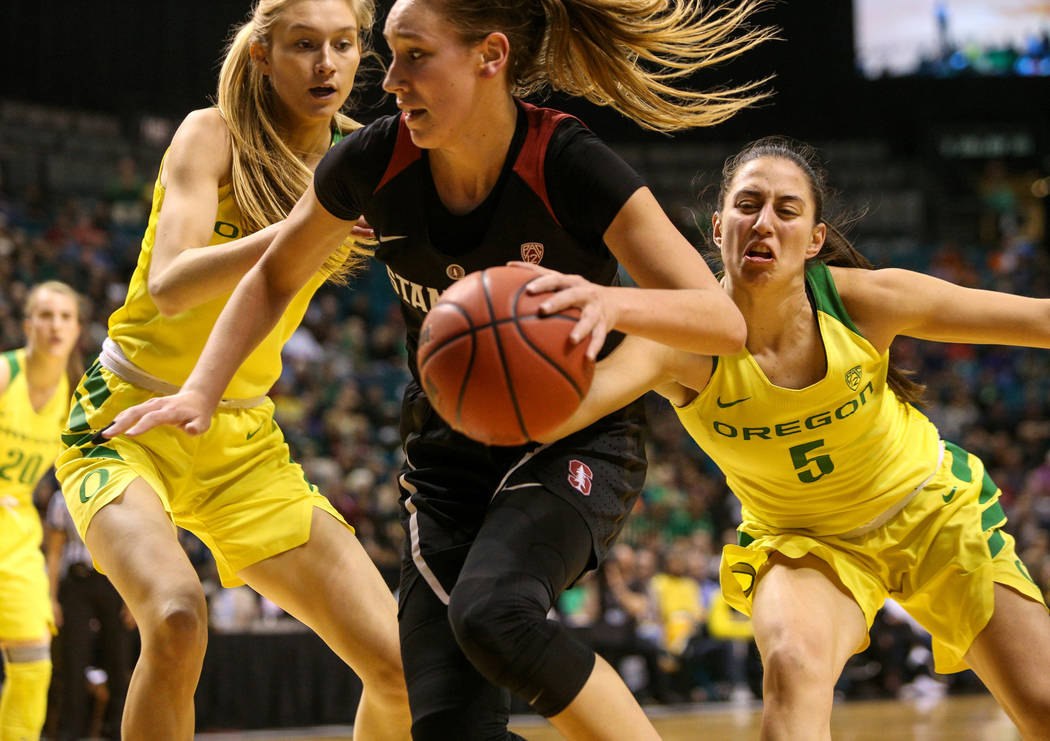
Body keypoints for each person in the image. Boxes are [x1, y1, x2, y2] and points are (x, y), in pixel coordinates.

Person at [101, 1, 777, 738]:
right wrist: (201, 389)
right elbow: (271, 275)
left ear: (489, 56)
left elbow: (724, 321)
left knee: (492, 614)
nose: (389, 80)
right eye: (388, 56)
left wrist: (607, 302)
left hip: (572, 442)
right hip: (447, 460)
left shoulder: (565, 161)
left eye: (413, 56)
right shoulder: (373, 161)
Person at [527, 136, 1050, 739]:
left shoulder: (866, 304)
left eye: (786, 209)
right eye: (748, 205)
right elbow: (561, 412)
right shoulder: (680, 343)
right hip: (804, 542)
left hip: (932, 515)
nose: (764, 223)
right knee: (794, 668)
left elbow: (1037, 319)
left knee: (1040, 705)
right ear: (718, 225)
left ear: (815, 239)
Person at [53, 1, 411, 739]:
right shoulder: (209, 133)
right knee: (178, 618)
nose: (326, 64)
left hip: (242, 438)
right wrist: (311, 222)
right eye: (303, 44)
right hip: (127, 420)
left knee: (403, 669)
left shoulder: (368, 155)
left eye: (343, 44)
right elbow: (171, 282)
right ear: (261, 54)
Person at [0, 281, 83, 741]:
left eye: (65, 317)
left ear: (76, 329)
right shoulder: (5, 374)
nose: (55, 325)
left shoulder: (71, 399)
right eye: (46, 316)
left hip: (17, 538)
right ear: (28, 324)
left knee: (33, 667)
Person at [44, 485, 136, 741]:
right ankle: (70, 732)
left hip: (114, 581)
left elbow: (131, 549)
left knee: (119, 658)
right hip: (76, 582)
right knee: (73, 659)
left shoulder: (119, 489)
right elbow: (54, 551)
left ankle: (118, 731)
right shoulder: (60, 497)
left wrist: (133, 598)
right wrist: (51, 598)